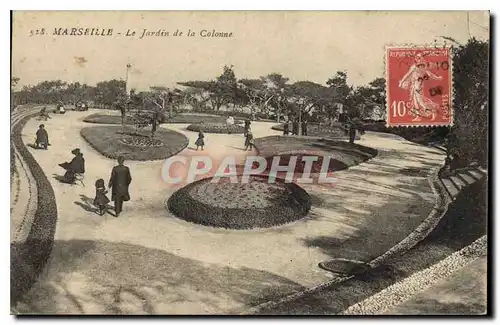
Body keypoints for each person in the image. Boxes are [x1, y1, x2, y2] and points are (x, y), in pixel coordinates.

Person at [398, 52, 443, 121]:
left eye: (419, 57)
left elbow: (430, 74)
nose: (417, 58)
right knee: (415, 102)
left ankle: (433, 110)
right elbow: (407, 75)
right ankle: (418, 116)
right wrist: (402, 81)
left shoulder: (423, 67)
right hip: (414, 85)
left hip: (418, 86)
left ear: (421, 58)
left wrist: (438, 78)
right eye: (416, 57)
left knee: (421, 101)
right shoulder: (414, 66)